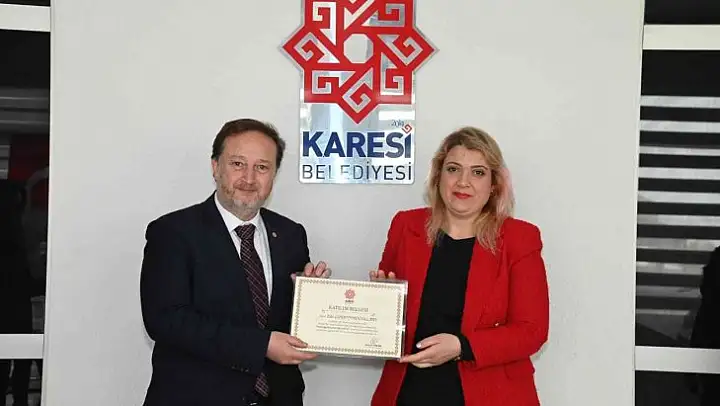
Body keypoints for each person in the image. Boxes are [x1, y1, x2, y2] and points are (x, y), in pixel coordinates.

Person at [139, 118, 330, 406]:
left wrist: (312, 299)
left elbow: (284, 321)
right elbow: (166, 320)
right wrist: (261, 346)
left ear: (274, 174)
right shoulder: (173, 232)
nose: (249, 179)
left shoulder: (290, 234)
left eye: (262, 167)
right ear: (215, 167)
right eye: (238, 164)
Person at [369, 126, 549, 405]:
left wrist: (461, 346)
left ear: (494, 184)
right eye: (453, 169)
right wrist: (379, 303)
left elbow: (531, 331)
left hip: (491, 394)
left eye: (478, 172)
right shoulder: (406, 226)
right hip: (409, 391)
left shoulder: (520, 238)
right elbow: (387, 318)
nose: (463, 182)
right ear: (438, 176)